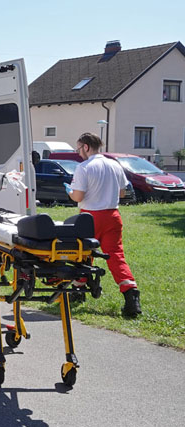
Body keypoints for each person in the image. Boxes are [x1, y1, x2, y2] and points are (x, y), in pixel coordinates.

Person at [67, 132, 141, 317]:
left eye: (78, 149)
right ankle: (131, 295)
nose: (78, 153)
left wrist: (69, 192)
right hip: (112, 215)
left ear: (86, 146)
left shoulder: (84, 167)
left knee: (82, 252)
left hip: (90, 216)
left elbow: (78, 196)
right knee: (116, 255)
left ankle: (78, 289)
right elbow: (123, 193)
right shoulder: (115, 164)